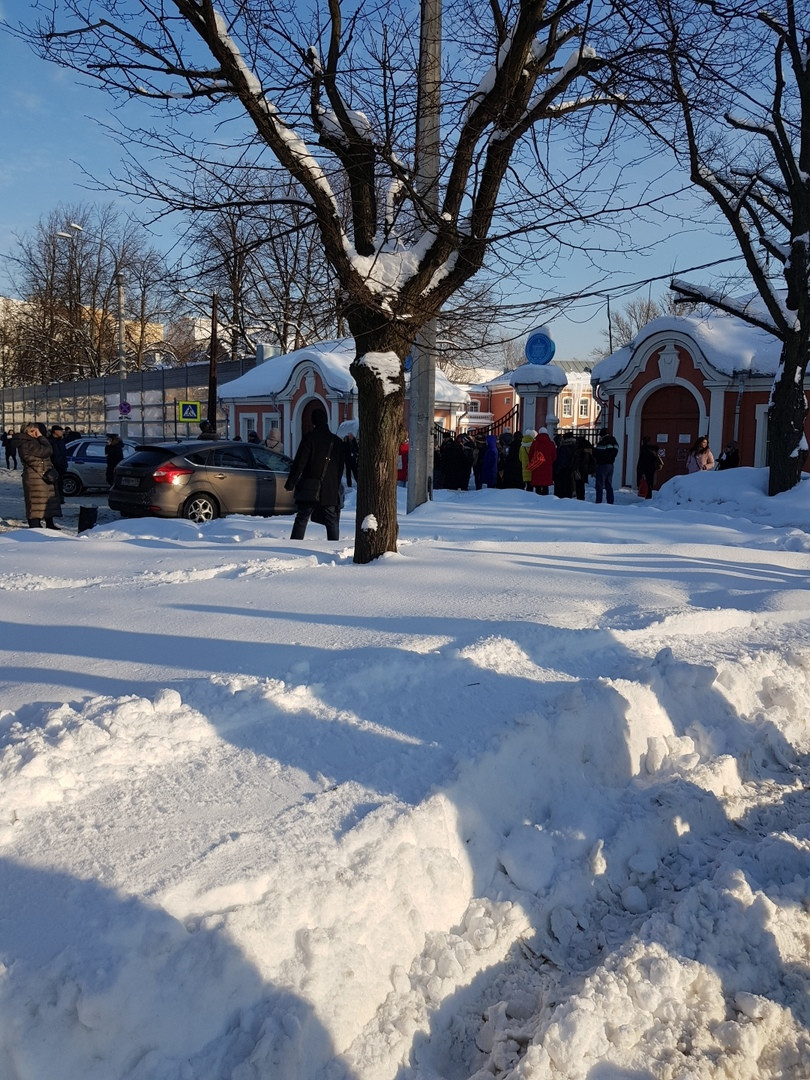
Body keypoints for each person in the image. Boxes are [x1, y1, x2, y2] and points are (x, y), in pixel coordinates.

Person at [284, 407, 345, 541]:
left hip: (310, 485)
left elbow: (300, 463)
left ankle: (295, 544)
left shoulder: (309, 439)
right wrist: (335, 484)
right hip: (330, 488)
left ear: (313, 422)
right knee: (331, 519)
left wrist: (290, 483)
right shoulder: (337, 442)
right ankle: (334, 546)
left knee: (302, 518)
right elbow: (340, 467)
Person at [18, 422, 62, 529]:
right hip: (35, 477)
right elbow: (47, 451)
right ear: (26, 432)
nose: (35, 433)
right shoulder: (26, 443)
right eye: (32, 431)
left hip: (41, 476)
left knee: (46, 500)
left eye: (36, 431)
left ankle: (49, 523)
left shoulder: (33, 442)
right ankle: (35, 525)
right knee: (35, 503)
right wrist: (41, 437)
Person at [593, 428, 619, 504]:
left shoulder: (603, 442)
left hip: (602, 465)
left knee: (599, 484)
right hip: (611, 465)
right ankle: (610, 501)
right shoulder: (615, 442)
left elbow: (597, 453)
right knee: (609, 484)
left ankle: (599, 501)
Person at [528, 427, 556, 494]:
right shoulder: (551, 444)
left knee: (538, 485)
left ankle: (538, 499)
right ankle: (545, 499)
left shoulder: (535, 443)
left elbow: (530, 455)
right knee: (545, 485)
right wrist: (549, 462)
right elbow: (554, 456)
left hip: (537, 466)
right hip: (547, 467)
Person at [553, 431, 577, 499]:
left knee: (562, 487)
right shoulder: (573, 446)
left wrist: (556, 470)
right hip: (569, 468)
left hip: (563, 470)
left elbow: (561, 460)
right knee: (567, 486)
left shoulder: (563, 448)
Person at [48, 425, 69, 499]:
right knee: (54, 483)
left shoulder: (61, 441)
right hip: (54, 466)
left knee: (60, 483)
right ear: (55, 431)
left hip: (61, 465)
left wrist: (64, 464)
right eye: (60, 431)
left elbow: (63, 453)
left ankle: (60, 497)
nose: (62, 432)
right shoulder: (50, 441)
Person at [573, 435, 595, 500]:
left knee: (578, 484)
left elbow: (576, 459)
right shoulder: (588, 449)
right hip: (585, 468)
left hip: (579, 468)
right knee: (581, 484)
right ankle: (581, 497)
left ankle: (580, 497)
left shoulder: (578, 450)